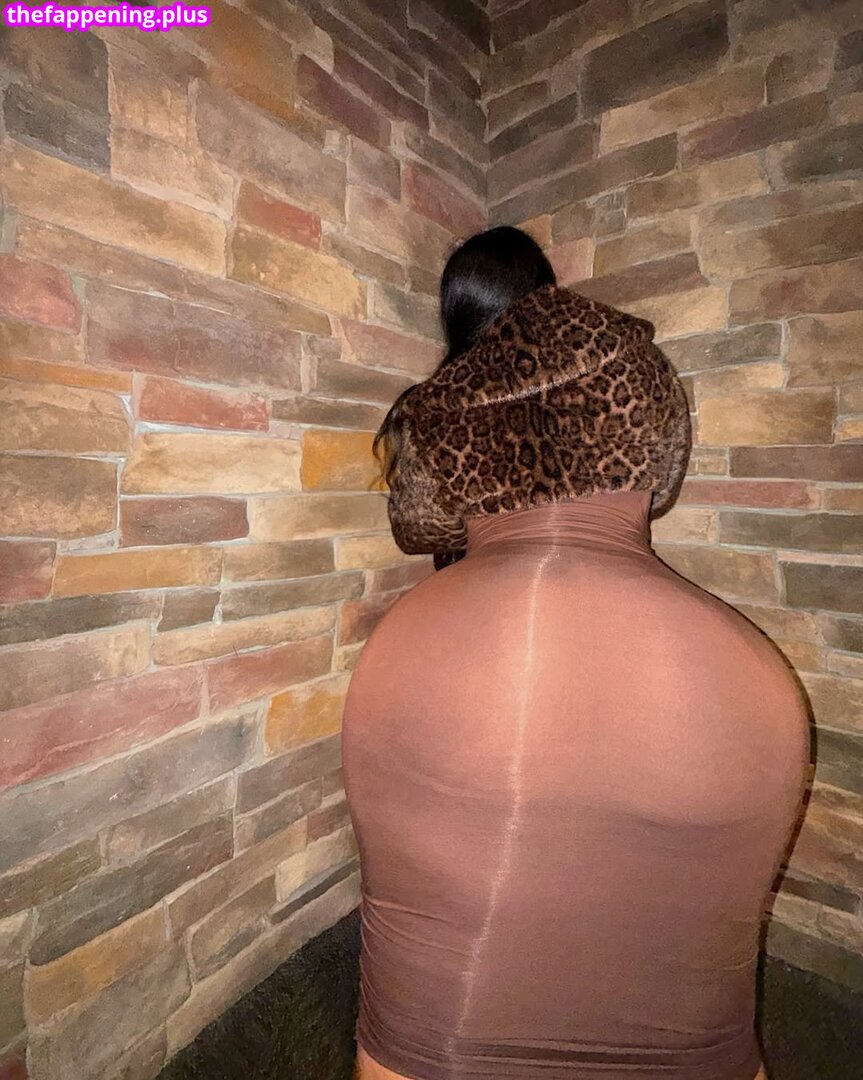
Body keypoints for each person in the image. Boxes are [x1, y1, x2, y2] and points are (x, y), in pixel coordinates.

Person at [341, 227, 811, 1080]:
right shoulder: (631, 367)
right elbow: (655, 486)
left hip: (441, 656)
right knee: (684, 965)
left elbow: (419, 525)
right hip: (717, 680)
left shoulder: (440, 405)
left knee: (447, 952)